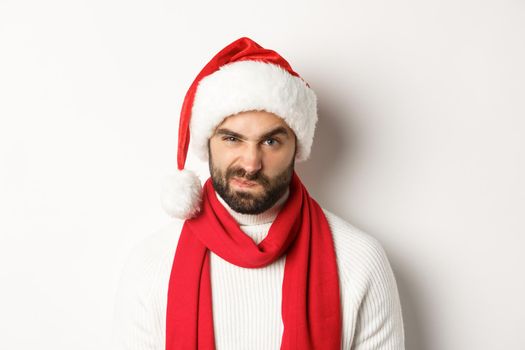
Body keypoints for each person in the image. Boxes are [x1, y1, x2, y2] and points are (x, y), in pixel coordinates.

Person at [113, 37, 405, 350]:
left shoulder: (358, 261)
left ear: (297, 147)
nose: (251, 163)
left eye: (270, 142)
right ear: (207, 143)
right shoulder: (152, 264)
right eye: (232, 139)